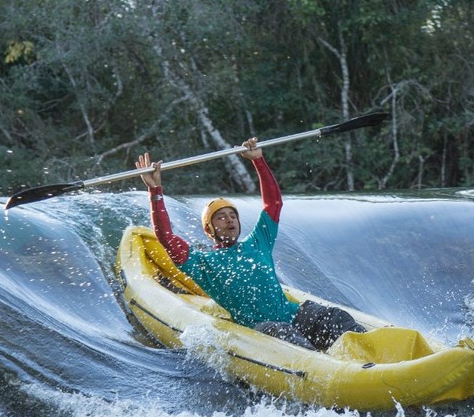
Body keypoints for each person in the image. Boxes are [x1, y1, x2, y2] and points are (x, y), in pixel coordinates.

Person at [135, 138, 366, 351]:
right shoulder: (203, 263)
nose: (229, 220)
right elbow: (166, 236)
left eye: (232, 215)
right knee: (287, 336)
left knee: (336, 317)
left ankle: (374, 355)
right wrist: (155, 190)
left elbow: (273, 203)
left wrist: (258, 160)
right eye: (221, 217)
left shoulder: (258, 242)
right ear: (209, 230)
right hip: (262, 329)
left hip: (293, 315)